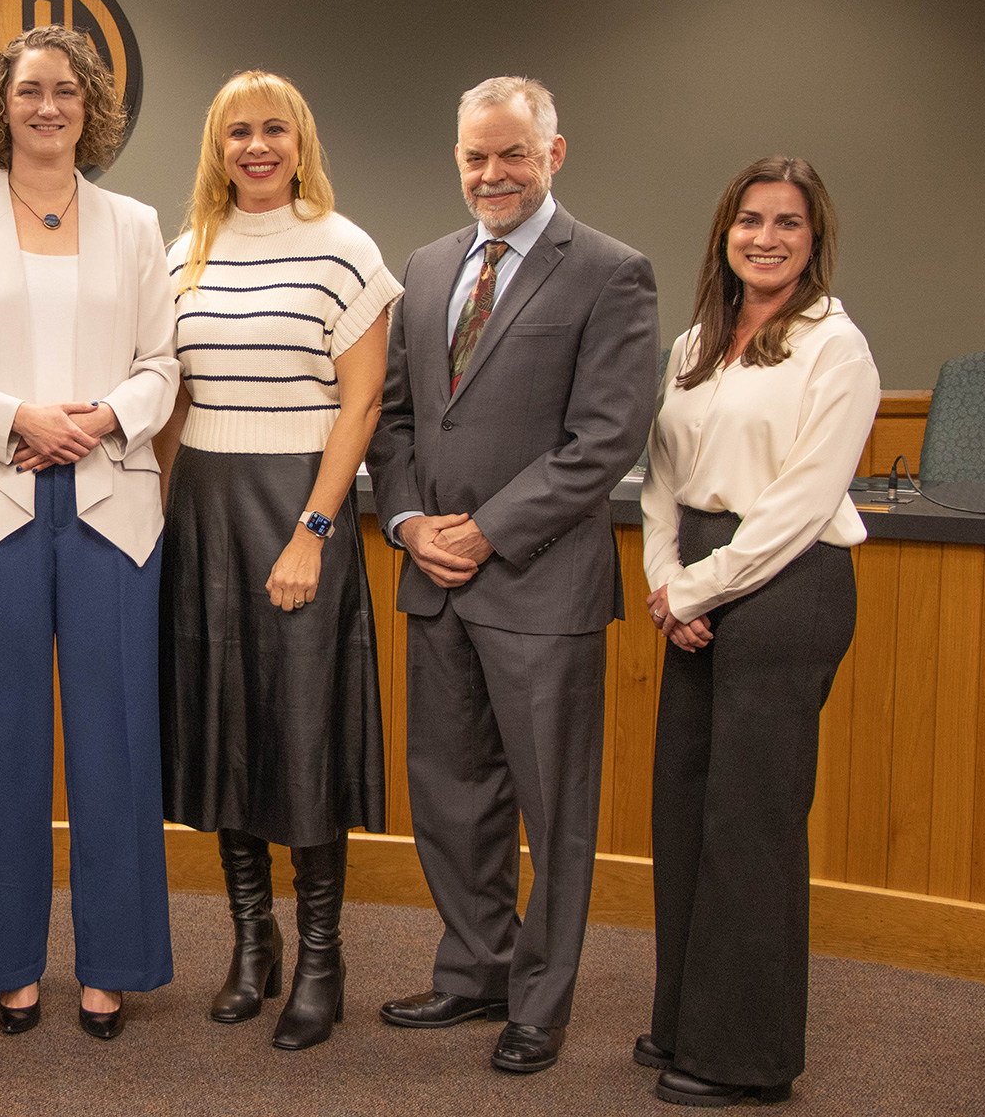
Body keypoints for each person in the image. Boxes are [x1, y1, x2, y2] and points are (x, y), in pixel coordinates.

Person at [366, 76, 658, 1073]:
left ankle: (541, 999)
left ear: (554, 153)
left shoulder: (611, 272)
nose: (492, 174)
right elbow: (397, 423)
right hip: (435, 578)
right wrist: (406, 522)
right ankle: (472, 973)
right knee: (451, 794)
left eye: (512, 154)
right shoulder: (428, 264)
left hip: (540, 585)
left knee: (554, 810)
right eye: (475, 157)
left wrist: (485, 532)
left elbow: (604, 440)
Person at [0, 25, 178, 1041]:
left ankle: (113, 965)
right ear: (0, 105)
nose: (47, 106)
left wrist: (100, 420)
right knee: (1, 744)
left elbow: (162, 363)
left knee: (117, 747)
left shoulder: (136, 225)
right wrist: (23, 419)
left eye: (65, 91)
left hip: (111, 502)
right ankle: (8, 965)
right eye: (29, 91)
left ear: (89, 105)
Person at [154, 70, 395, 1051]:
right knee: (228, 729)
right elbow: (169, 401)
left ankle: (321, 958)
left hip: (301, 510)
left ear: (301, 142)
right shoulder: (185, 255)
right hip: (204, 510)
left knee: (302, 731)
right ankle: (251, 943)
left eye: (275, 131)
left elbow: (364, 403)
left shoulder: (344, 249)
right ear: (218, 147)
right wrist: (161, 512)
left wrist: (314, 529)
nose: (257, 147)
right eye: (238, 132)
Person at [638, 158, 877, 1108]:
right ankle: (685, 1023)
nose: (765, 238)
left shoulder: (836, 347)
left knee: (751, 825)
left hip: (786, 589)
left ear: (813, 240)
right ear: (724, 233)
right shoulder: (699, 340)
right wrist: (666, 579)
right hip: (696, 578)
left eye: (787, 223)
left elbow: (801, 504)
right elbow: (660, 477)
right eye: (750, 221)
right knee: (685, 811)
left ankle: (748, 1059)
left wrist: (696, 589)